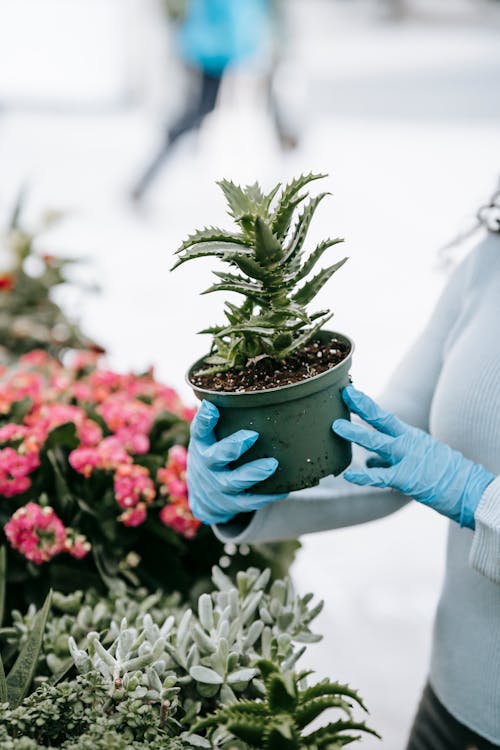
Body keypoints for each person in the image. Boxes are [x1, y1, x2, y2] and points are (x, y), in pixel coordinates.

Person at [186, 195, 500, 750]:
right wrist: (250, 486)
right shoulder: (490, 257)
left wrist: (481, 498)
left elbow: (439, 472)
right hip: (454, 707)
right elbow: (383, 443)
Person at [131, 0, 294, 202]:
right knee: (197, 112)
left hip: (236, 48)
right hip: (211, 51)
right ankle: (148, 176)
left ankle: (285, 156)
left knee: (259, 108)